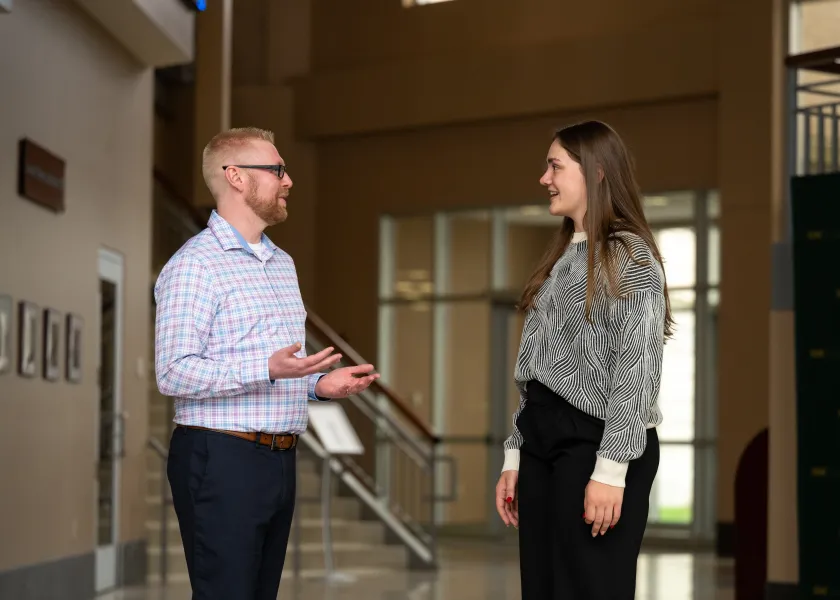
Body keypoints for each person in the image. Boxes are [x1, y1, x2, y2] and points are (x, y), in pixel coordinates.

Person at [154, 127, 380, 600]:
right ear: (235, 176)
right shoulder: (195, 265)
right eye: (277, 170)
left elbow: (279, 365)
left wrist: (318, 385)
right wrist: (267, 369)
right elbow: (173, 372)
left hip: (279, 458)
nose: (288, 180)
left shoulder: (282, 264)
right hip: (220, 458)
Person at [494, 120, 673, 599]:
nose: (544, 178)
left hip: (595, 445)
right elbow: (536, 372)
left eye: (555, 166)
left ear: (595, 171)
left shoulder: (630, 256)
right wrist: (516, 454)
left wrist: (611, 470)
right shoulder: (563, 256)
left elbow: (638, 369)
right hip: (543, 441)